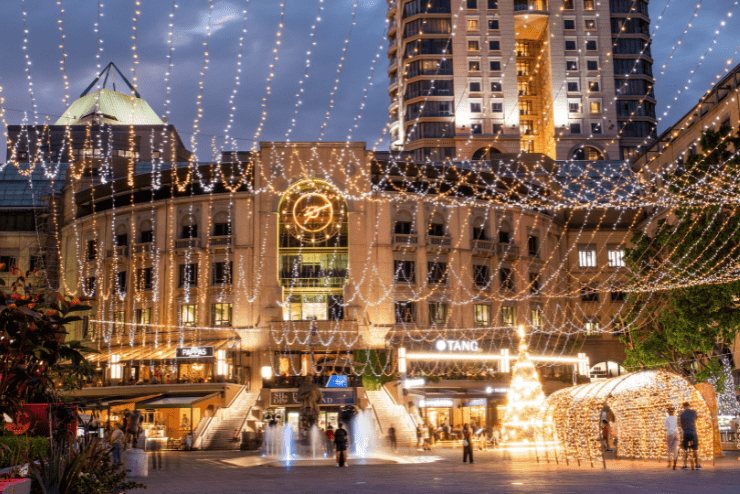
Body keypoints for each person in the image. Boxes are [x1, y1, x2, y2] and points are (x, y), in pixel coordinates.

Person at [679, 401, 701, 469]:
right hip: (693, 432)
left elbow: (680, 424)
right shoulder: (694, 412)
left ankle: (685, 465)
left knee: (685, 449)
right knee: (695, 449)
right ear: (689, 406)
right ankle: (697, 465)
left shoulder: (681, 414)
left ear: (683, 407)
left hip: (685, 432)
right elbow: (696, 418)